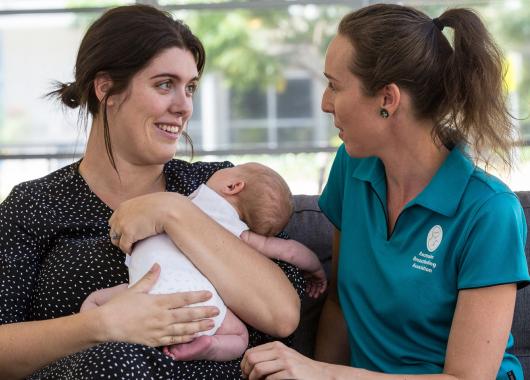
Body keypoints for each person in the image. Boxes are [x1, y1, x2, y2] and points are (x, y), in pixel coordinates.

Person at [0, 5, 302, 379]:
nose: (184, 106)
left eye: (189, 87)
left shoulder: (219, 188)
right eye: (164, 84)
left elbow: (283, 315)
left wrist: (174, 212)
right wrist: (101, 326)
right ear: (106, 88)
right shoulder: (36, 205)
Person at [240, 4, 530, 380]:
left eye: (335, 85)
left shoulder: (490, 212)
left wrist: (321, 374)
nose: (325, 103)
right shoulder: (352, 167)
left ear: (387, 100)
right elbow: (341, 304)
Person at [116, 162, 326, 362]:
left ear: (233, 186)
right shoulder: (239, 234)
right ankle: (208, 344)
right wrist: (316, 268)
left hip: (142, 291)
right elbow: (289, 251)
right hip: (196, 303)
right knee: (239, 336)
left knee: (102, 300)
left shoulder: (186, 200)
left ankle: (95, 313)